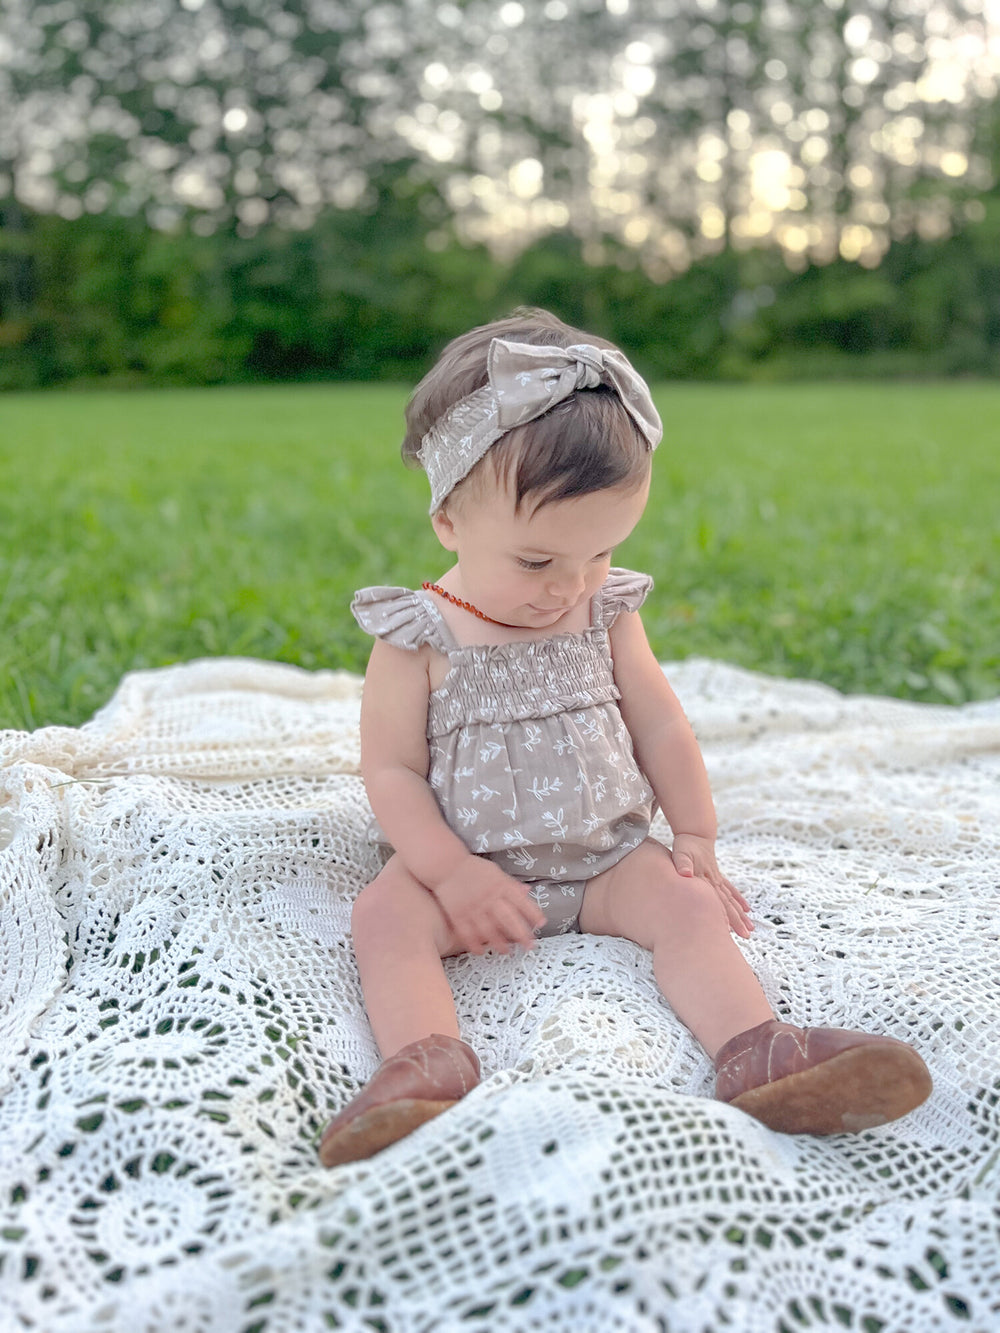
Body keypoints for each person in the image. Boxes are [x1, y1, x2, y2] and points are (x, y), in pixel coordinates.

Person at [318, 309, 932, 1167]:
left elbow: (658, 722)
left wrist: (696, 835)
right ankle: (425, 1065)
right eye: (537, 562)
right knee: (384, 915)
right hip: (472, 866)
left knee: (684, 906)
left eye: (601, 553)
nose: (567, 586)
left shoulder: (603, 611)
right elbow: (390, 771)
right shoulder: (416, 636)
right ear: (449, 518)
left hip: (607, 858)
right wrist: (450, 872)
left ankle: (758, 1051)